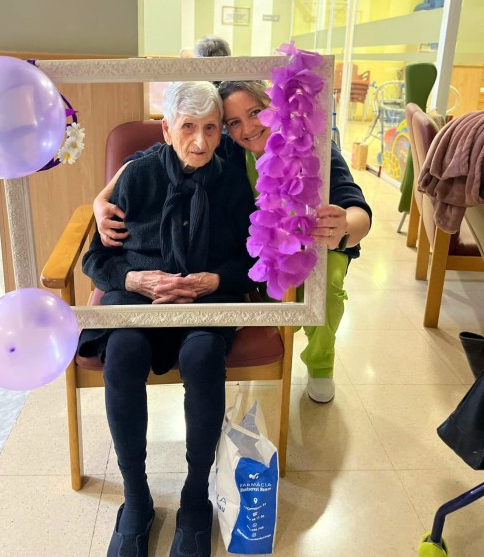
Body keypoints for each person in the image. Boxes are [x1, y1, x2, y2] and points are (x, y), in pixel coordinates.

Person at [94, 80, 372, 405]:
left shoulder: (311, 148)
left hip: (319, 244)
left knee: (324, 286)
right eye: (235, 122)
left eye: (255, 112)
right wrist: (102, 198)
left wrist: (343, 227)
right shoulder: (229, 147)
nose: (248, 128)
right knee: (268, 294)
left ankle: (320, 364)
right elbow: (154, 155)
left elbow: (358, 210)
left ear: (274, 107)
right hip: (263, 251)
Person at [81, 80, 256, 557]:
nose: (200, 141)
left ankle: (195, 498)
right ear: (166, 129)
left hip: (207, 298)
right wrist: (134, 279)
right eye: (188, 127)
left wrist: (214, 281)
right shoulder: (137, 176)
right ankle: (136, 499)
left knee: (202, 355)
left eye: (211, 128)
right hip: (138, 298)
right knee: (123, 349)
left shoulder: (231, 180)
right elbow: (96, 259)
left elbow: (251, 259)